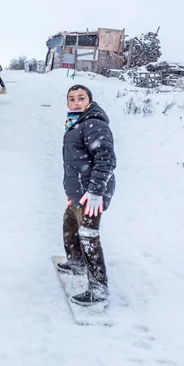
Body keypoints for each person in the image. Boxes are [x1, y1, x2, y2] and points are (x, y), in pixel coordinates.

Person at [58, 84, 117, 306]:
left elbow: (106, 159)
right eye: (71, 98)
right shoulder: (76, 123)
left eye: (81, 98)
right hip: (80, 191)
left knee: (89, 237)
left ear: (89, 101)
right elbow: (74, 163)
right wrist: (71, 191)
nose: (76, 102)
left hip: (92, 192)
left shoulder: (94, 124)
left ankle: (99, 289)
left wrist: (95, 192)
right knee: (70, 224)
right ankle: (76, 263)